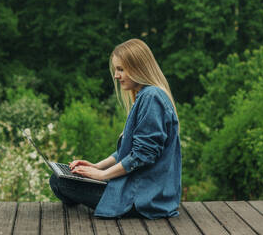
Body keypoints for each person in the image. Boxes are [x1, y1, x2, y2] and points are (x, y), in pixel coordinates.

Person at [49, 38, 181, 219]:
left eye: (121, 69)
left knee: (60, 182)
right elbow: (129, 152)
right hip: (139, 192)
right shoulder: (146, 96)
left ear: (138, 67)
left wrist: (101, 175)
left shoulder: (152, 97)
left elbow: (143, 155)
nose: (116, 76)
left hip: (143, 199)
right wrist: (96, 166)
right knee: (62, 179)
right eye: (115, 70)